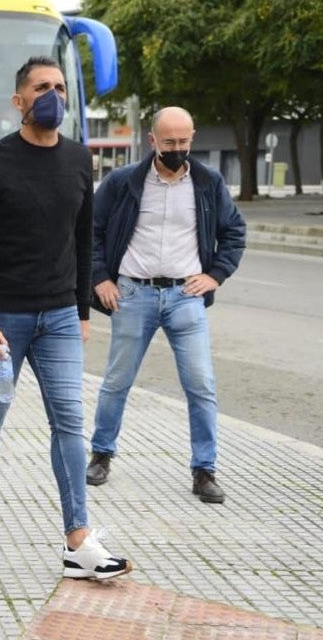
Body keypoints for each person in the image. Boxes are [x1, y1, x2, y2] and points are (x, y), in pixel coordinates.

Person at [0, 56, 132, 581]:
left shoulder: (78, 159)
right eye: (40, 87)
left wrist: (80, 312)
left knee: (70, 420)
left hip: (57, 316)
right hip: (3, 320)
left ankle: (78, 538)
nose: (51, 94)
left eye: (58, 86)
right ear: (18, 101)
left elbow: (81, 240)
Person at [88, 106, 246, 504]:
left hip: (185, 296)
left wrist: (215, 276)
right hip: (133, 294)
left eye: (184, 142)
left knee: (201, 385)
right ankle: (101, 455)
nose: (178, 149)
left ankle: (205, 470)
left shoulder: (208, 183)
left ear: (192, 139)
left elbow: (234, 231)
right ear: (152, 141)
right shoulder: (123, 182)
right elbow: (90, 230)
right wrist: (100, 278)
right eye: (170, 142)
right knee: (116, 382)